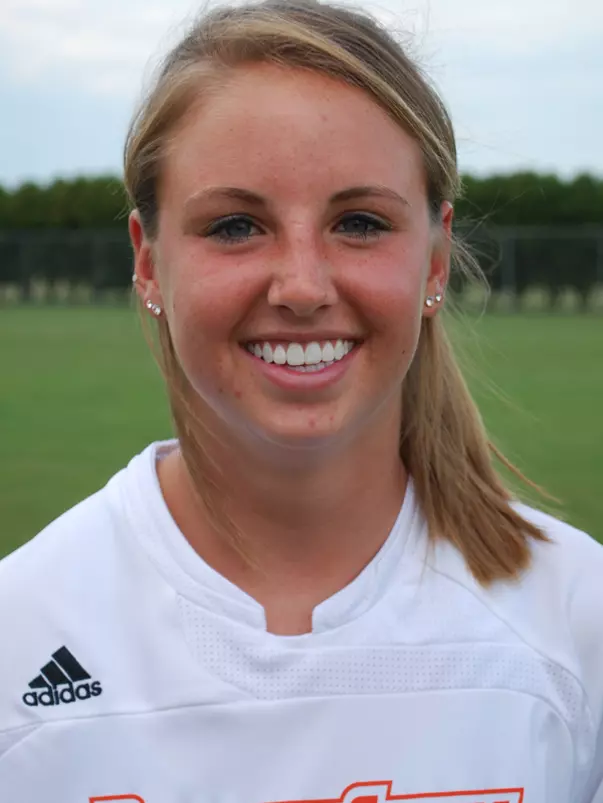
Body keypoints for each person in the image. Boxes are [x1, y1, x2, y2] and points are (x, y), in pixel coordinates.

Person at [1, 1, 602, 800]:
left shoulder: (575, 618)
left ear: (432, 259)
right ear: (148, 264)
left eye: (357, 222)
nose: (301, 287)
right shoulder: (23, 632)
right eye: (235, 226)